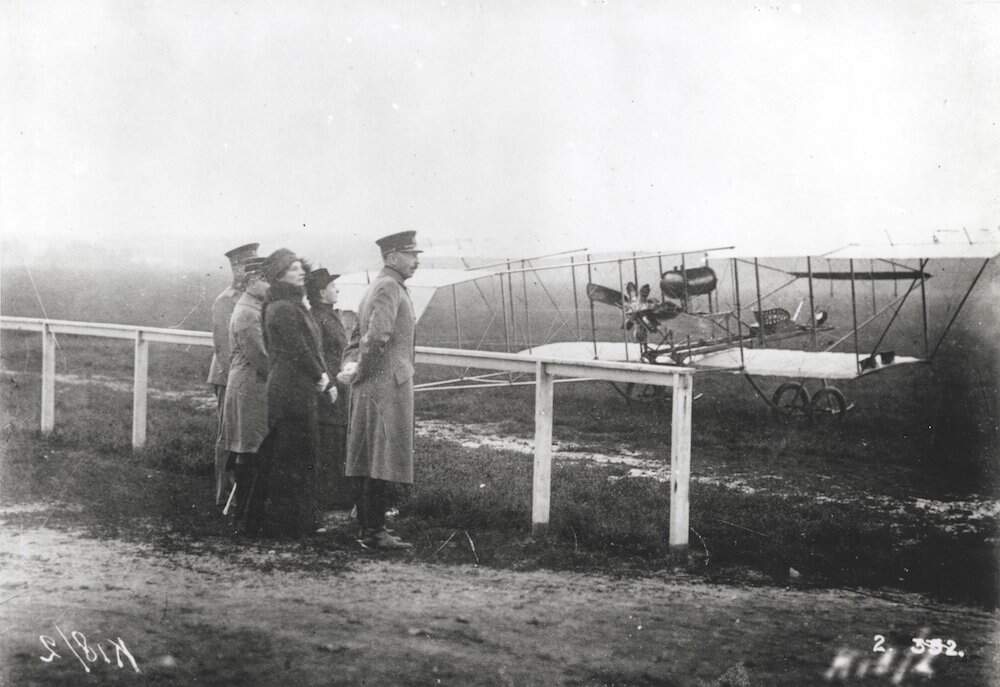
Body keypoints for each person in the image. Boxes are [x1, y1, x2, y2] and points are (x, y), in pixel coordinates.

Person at [342, 230, 422, 550]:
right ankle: (374, 531)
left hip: (376, 384)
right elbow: (376, 337)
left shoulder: (380, 286)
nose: (416, 261)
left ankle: (370, 527)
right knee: (380, 458)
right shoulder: (389, 287)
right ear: (392, 258)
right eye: (410, 254)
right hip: (385, 385)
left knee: (371, 457)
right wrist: (359, 369)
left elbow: (356, 338)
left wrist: (353, 369)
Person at [259, 249, 332, 538]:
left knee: (299, 454)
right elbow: (299, 349)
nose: (300, 271)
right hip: (290, 390)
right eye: (292, 269)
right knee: (292, 455)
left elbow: (307, 347)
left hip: (295, 388)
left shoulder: (290, 305)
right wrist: (321, 376)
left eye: (300, 266)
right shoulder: (283, 308)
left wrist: (316, 376)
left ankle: (297, 520)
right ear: (279, 275)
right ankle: (288, 522)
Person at [208, 242, 259, 506]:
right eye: (244, 266)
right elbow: (223, 347)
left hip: (243, 379)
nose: (249, 271)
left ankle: (240, 493)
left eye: (254, 265)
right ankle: (223, 494)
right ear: (234, 268)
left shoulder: (254, 298)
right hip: (227, 377)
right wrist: (234, 382)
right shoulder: (225, 301)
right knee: (227, 436)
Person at [221, 257, 269, 534]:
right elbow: (259, 356)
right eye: (264, 280)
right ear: (251, 282)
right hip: (250, 385)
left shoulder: (253, 308)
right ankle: (246, 517)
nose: (268, 285)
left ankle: (248, 514)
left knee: (249, 449)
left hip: (250, 384)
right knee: (248, 449)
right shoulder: (248, 312)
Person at [305, 267, 353, 512]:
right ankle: (328, 495)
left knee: (339, 438)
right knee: (330, 440)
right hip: (329, 387)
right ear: (322, 291)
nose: (337, 289)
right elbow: (319, 353)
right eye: (333, 286)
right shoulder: (317, 317)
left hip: (340, 385)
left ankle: (337, 492)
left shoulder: (331, 315)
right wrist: (329, 383)